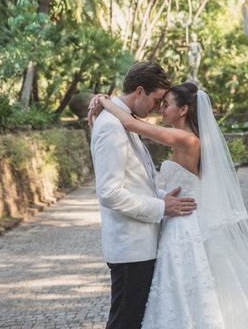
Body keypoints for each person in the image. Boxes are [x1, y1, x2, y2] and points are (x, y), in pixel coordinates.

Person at [90, 82, 248, 328]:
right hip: (177, 218)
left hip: (184, 224)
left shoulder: (187, 139)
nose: (161, 109)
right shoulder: (186, 139)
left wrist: (105, 102)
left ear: (183, 110)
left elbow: (131, 124)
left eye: (167, 104)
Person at [89, 62, 197, 329]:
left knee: (134, 320)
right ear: (140, 91)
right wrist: (161, 208)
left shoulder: (127, 122)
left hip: (143, 244)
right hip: (130, 247)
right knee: (124, 322)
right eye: (156, 99)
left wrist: (163, 196)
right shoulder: (111, 126)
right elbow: (110, 193)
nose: (158, 108)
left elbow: (137, 180)